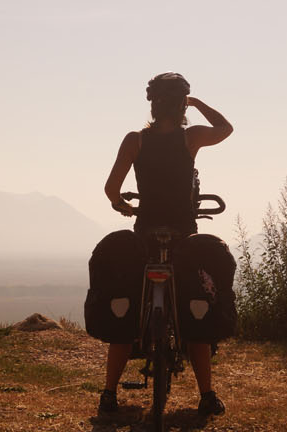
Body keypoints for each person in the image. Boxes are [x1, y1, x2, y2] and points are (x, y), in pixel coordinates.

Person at [87, 72, 237, 417]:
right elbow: (226, 128)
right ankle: (207, 395)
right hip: (185, 236)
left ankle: (108, 393)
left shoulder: (135, 140)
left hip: (145, 236)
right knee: (193, 309)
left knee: (128, 304)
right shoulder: (191, 138)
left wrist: (121, 205)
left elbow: (112, 189)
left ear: (152, 105)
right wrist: (198, 103)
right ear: (181, 105)